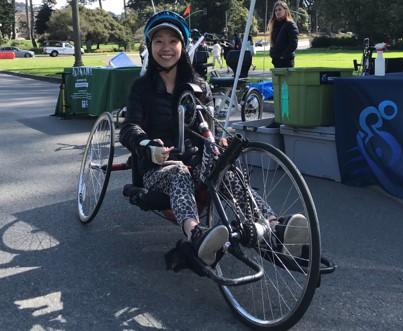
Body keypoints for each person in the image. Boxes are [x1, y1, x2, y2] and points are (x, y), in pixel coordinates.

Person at [120, 11, 307, 267]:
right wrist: (148, 146)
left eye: (172, 41)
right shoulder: (141, 88)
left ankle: (273, 226)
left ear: (182, 46)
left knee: (227, 171)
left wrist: (218, 143)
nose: (166, 48)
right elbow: (129, 128)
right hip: (158, 169)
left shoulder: (200, 86)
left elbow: (208, 128)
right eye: (159, 41)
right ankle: (196, 233)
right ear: (149, 46)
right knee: (178, 173)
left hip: (196, 163)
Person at [268, 1, 299, 68]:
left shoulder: (290, 24)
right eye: (276, 10)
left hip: (287, 61)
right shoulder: (274, 25)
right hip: (276, 61)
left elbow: (293, 44)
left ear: (285, 10)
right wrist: (272, 53)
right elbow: (273, 43)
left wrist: (283, 56)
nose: (277, 12)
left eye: (280, 9)